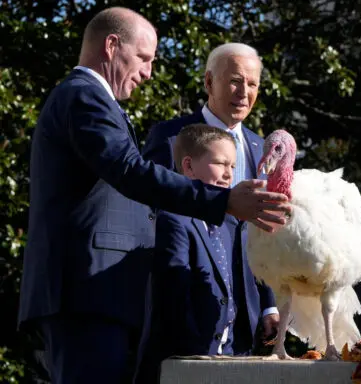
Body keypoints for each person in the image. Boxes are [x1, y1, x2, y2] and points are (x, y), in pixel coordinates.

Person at [17, 8, 290, 384]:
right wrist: (222, 200)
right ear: (112, 46)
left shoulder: (91, 100)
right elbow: (131, 171)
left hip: (101, 296)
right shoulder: (84, 97)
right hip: (89, 293)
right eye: (144, 59)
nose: (147, 73)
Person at [142, 42, 280, 343]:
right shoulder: (171, 138)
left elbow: (263, 230)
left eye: (252, 84)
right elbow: (150, 212)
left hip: (248, 309)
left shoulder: (262, 148)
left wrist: (269, 302)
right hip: (188, 301)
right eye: (234, 80)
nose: (244, 92)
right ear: (208, 82)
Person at [135, 124, 276, 382]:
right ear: (188, 167)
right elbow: (174, 298)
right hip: (187, 364)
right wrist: (196, 358)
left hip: (232, 360)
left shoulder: (233, 225)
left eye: (233, 167)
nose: (228, 175)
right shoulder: (173, 220)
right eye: (220, 164)